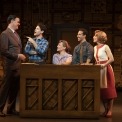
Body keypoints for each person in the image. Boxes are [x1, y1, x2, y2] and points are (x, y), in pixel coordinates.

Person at [0, 15, 26, 117]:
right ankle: (0, 108)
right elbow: (3, 51)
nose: (19, 24)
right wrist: (17, 56)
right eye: (18, 22)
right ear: (11, 21)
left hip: (17, 66)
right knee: (5, 88)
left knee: (14, 88)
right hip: (9, 65)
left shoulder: (16, 34)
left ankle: (11, 109)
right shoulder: (5, 34)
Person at [93, 30, 117, 118]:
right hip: (99, 69)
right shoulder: (95, 48)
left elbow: (111, 59)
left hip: (106, 69)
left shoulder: (105, 47)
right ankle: (106, 109)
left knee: (109, 89)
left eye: (95, 36)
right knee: (102, 90)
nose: (93, 37)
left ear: (99, 37)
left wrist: (104, 64)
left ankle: (110, 110)